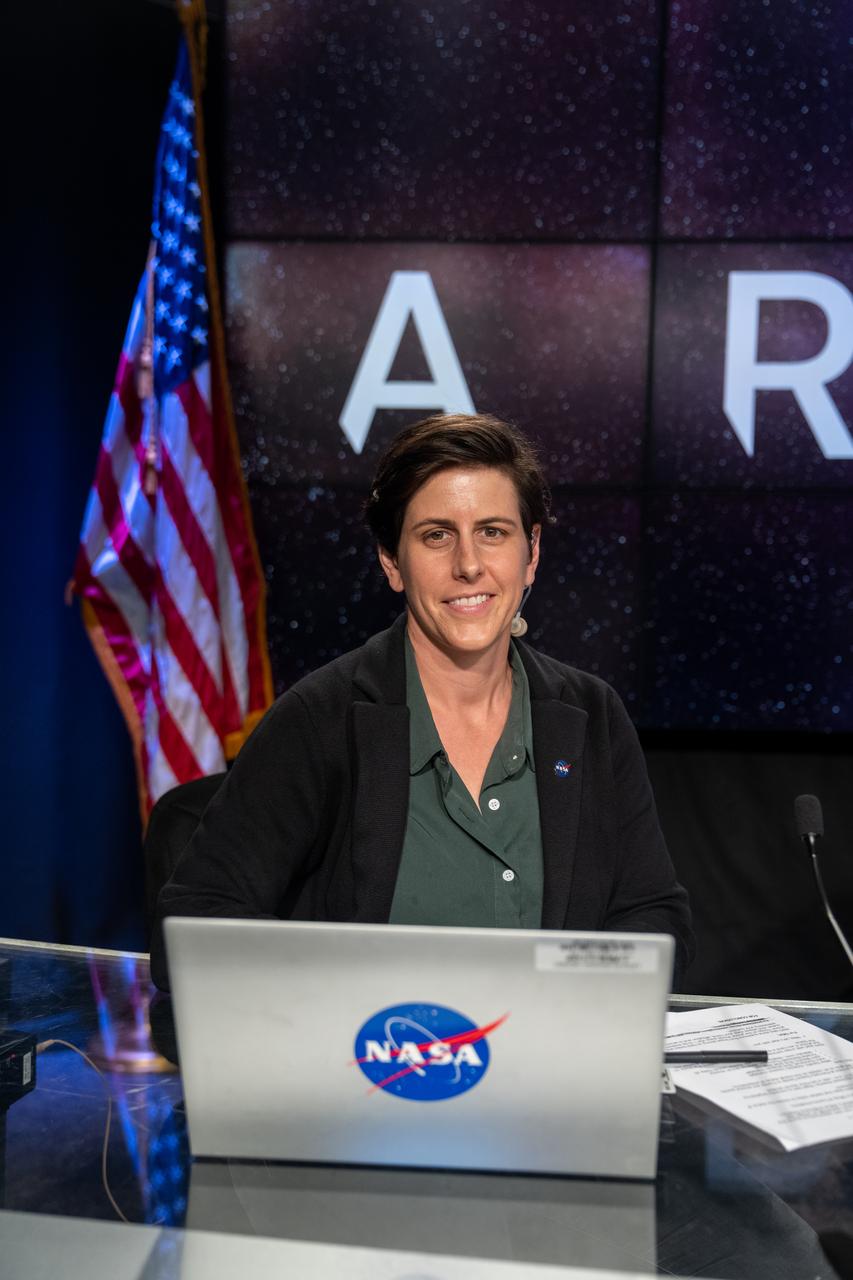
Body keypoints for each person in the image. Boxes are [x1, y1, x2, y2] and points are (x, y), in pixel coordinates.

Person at [150, 413, 694, 990]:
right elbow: (194, 919)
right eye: (436, 535)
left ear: (531, 552)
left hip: (549, 1067)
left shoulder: (591, 718)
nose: (468, 565)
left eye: (493, 532)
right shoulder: (322, 717)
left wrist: (563, 1003)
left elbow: (655, 917)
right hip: (369, 1065)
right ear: (392, 561)